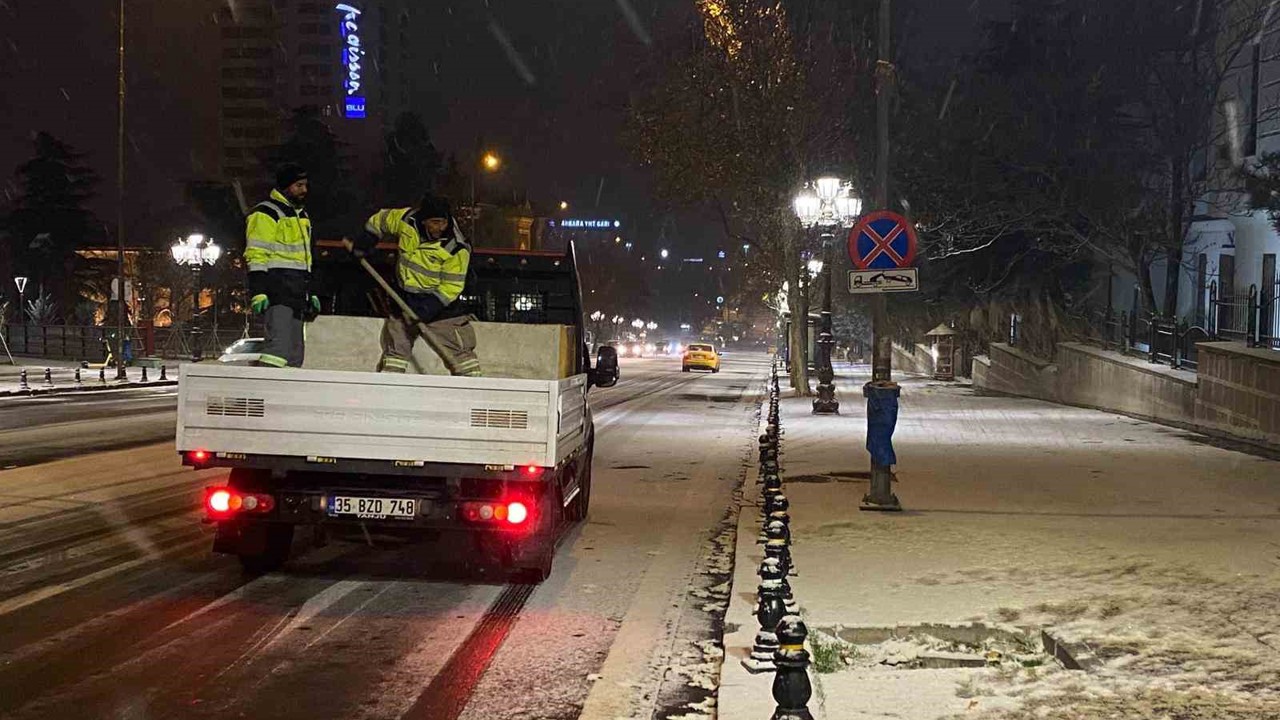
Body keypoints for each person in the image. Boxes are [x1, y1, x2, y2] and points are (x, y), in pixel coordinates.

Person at [350, 193, 482, 377]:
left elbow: (452, 287)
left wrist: (427, 308)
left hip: (440, 306)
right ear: (423, 219)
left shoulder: (456, 248)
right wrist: (367, 239)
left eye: (443, 222)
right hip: (403, 299)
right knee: (395, 351)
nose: (440, 228)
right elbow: (381, 219)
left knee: (462, 354)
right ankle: (390, 389)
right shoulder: (406, 220)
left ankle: (475, 390)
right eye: (435, 222)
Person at [244, 163, 317, 368]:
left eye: (305, 185)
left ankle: (286, 396)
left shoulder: (302, 216)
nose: (304, 190)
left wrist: (311, 292)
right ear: (286, 186)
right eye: (299, 185)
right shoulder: (265, 213)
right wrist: (259, 291)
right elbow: (256, 254)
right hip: (277, 291)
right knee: (278, 351)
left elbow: (308, 260)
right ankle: (264, 394)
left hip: (297, 293)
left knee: (294, 355)